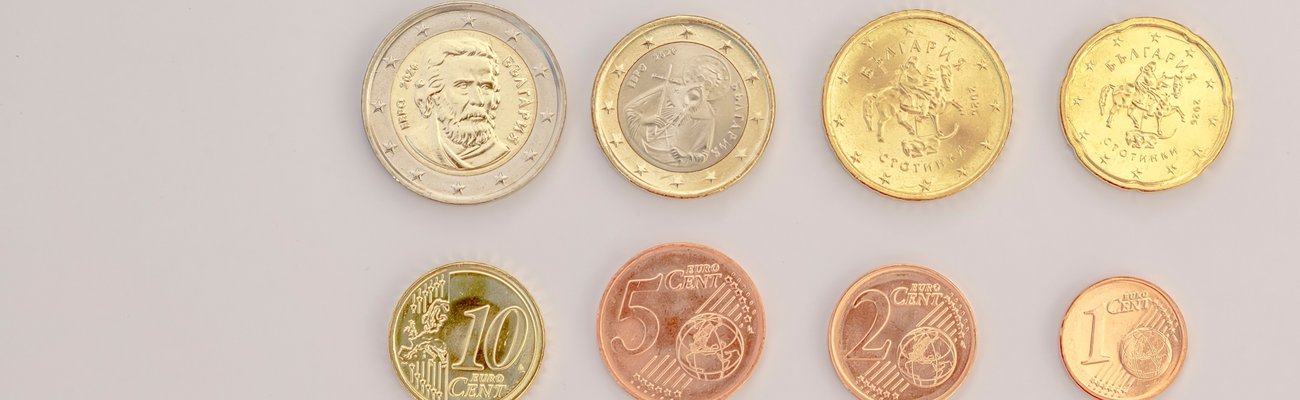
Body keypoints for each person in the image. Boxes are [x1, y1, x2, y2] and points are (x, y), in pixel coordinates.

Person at [408, 39, 509, 170]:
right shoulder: (416, 144)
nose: (479, 101)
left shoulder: (501, 154)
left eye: (485, 87)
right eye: (463, 86)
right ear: (434, 94)